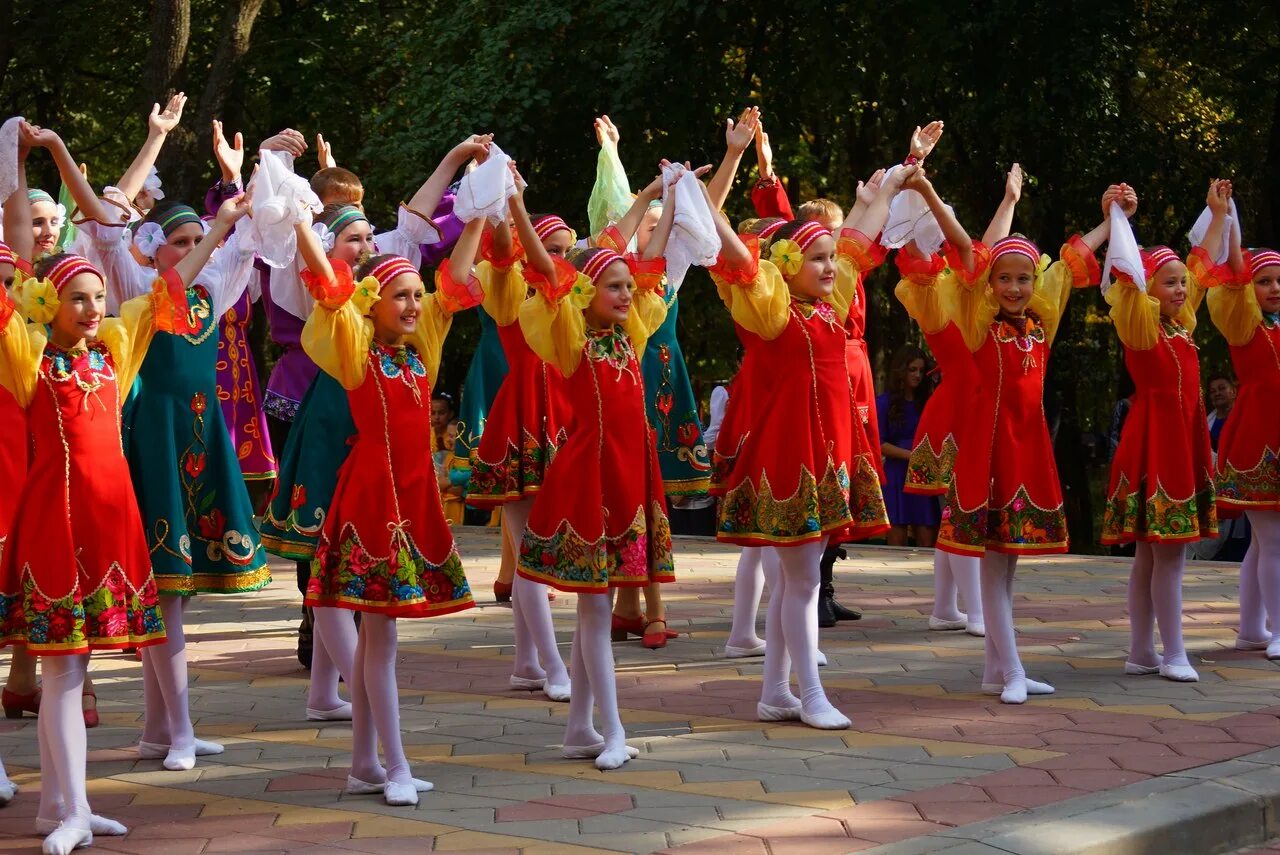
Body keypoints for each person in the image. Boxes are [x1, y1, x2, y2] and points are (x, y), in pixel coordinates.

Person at [293, 168, 486, 803]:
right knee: (383, 636)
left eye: (412, 295)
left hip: (412, 493)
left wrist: (482, 210)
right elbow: (325, 287)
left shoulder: (417, 351)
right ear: (371, 303)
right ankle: (395, 765)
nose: (411, 305)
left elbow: (453, 284)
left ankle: (365, 766)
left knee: (384, 638)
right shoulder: (356, 350)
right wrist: (296, 218)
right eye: (398, 296)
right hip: (374, 496)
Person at [897, 168, 1118, 703]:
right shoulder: (977, 320)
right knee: (995, 566)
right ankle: (1010, 670)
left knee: (1007, 566)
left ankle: (999, 671)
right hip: (988, 450)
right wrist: (927, 191)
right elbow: (963, 246)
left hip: (1027, 447)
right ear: (988, 284)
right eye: (1005, 279)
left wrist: (1111, 219)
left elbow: (1069, 264)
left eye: (1024, 279)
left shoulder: (1042, 320)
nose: (1016, 287)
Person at [708, 163, 911, 729]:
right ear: (789, 266)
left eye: (828, 257)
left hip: (830, 455)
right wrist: (711, 192)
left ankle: (776, 692)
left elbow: (858, 243)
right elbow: (738, 257)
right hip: (790, 456)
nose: (829, 266)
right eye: (816, 258)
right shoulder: (769, 314)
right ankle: (811, 693)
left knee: (797, 579)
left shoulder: (829, 307)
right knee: (801, 581)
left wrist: (895, 180)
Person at [516, 161, 678, 769]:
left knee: (598, 605)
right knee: (594, 606)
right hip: (588, 481)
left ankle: (581, 727)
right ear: (585, 295)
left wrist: (662, 196)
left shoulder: (629, 337)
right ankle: (612, 731)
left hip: (630, 478)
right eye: (613, 287)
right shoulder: (570, 339)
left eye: (625, 288)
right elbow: (544, 269)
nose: (625, 293)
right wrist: (513, 204)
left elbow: (652, 265)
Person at [1100, 181, 1225, 682]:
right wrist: (1118, 217)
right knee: (1165, 555)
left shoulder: (1182, 327)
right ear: (1147, 288)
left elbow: (1200, 263)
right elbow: (1128, 277)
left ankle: (1142, 653)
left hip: (1179, 442)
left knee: (1154, 556)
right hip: (1156, 444)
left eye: (1181, 284)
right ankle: (1173, 653)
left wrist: (1216, 217)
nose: (1180, 289)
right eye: (1169, 283)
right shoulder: (1141, 323)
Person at [1207, 198, 1280, 661]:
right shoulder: (1242, 321)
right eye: (1264, 281)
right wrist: (1229, 218)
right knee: (1272, 538)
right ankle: (1277, 630)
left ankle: (1253, 628)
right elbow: (1233, 273)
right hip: (1259, 436)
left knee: (1262, 539)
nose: (1274, 288)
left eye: (1278, 280)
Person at [876, 345, 940, 547]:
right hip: (896, 475)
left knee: (927, 538)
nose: (918, 375)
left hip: (923, 475)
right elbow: (878, 444)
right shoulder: (884, 402)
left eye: (921, 370)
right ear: (901, 370)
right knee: (896, 539)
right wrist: (911, 455)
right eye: (912, 369)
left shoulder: (929, 402)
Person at [1205, 373, 1236, 457]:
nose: (1217, 393)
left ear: (1233, 391)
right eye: (1213, 391)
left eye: (1222, 388)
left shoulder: (1245, 419)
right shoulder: (1206, 426)